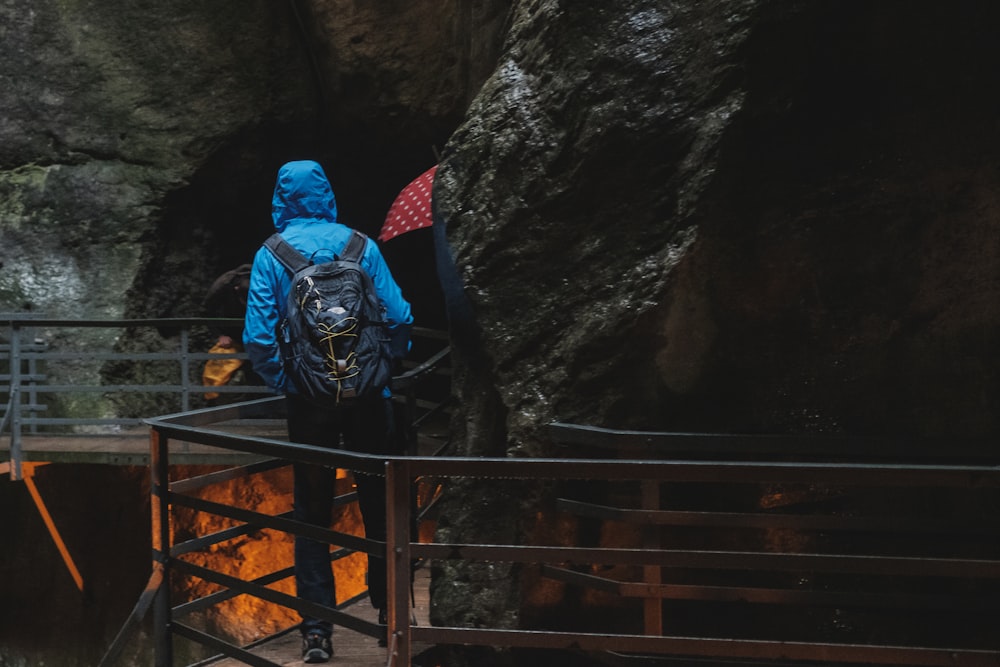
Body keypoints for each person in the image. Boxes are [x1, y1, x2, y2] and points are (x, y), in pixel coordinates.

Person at [243, 160, 413, 664]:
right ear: (328, 194)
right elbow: (400, 317)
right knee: (380, 504)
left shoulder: (272, 254)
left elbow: (257, 336)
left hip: (311, 406)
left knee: (312, 512)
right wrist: (379, 369)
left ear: (279, 198)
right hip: (369, 403)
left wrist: (291, 380)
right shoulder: (361, 247)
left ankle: (317, 632)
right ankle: (389, 615)